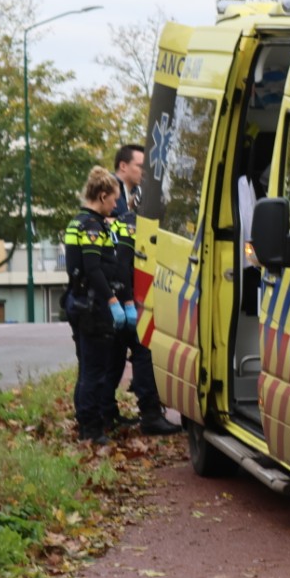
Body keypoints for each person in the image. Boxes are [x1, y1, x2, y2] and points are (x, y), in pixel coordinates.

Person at [108, 144, 181, 436]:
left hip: (123, 294)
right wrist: (125, 301)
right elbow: (122, 260)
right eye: (139, 165)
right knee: (140, 351)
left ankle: (105, 415)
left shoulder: (125, 212)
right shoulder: (124, 215)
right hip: (125, 295)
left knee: (115, 358)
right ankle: (148, 414)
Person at [63, 166, 123, 445]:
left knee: (86, 367)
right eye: (113, 200)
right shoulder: (91, 226)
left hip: (78, 301)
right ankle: (92, 428)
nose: (115, 206)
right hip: (93, 306)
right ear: (102, 196)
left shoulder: (78, 222)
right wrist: (112, 300)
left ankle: (85, 422)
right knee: (95, 370)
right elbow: (93, 268)